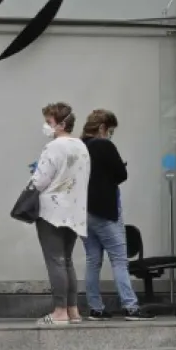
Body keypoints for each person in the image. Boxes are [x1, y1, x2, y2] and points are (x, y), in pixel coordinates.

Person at [81, 109, 148, 321]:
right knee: (119, 260)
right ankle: (130, 306)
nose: (110, 135)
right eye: (110, 131)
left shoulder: (79, 146)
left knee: (92, 260)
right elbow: (121, 173)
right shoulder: (104, 145)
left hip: (83, 213)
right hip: (105, 211)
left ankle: (95, 308)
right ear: (102, 128)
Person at [32, 102, 90, 326]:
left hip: (52, 211)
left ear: (61, 124)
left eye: (49, 122)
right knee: (67, 260)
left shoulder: (53, 147)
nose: (46, 126)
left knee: (55, 260)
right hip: (74, 211)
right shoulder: (82, 147)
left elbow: (40, 180)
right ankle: (73, 309)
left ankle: (59, 311)